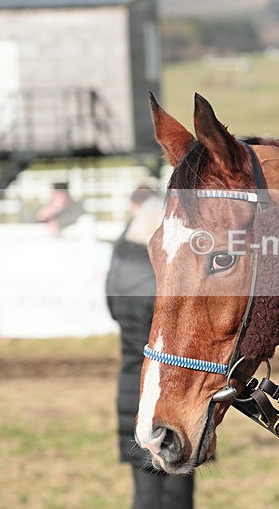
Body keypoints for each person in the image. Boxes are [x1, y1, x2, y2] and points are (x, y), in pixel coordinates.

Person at [106, 185, 195, 509]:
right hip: (165, 390)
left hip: (130, 383)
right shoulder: (160, 280)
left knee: (144, 488)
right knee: (176, 490)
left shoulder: (120, 263)